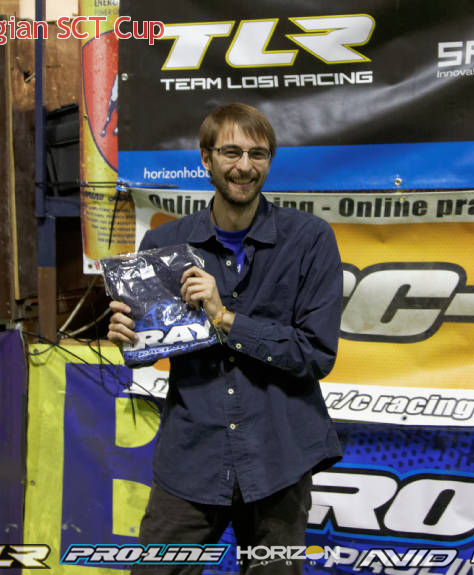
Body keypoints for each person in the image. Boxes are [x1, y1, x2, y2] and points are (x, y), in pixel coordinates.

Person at [107, 103, 343, 574]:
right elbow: (145, 352)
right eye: (231, 152)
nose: (244, 166)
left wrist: (225, 317)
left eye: (258, 154)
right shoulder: (164, 246)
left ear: (269, 161)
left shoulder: (309, 239)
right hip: (192, 457)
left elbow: (315, 354)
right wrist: (127, 337)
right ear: (206, 158)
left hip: (278, 458)